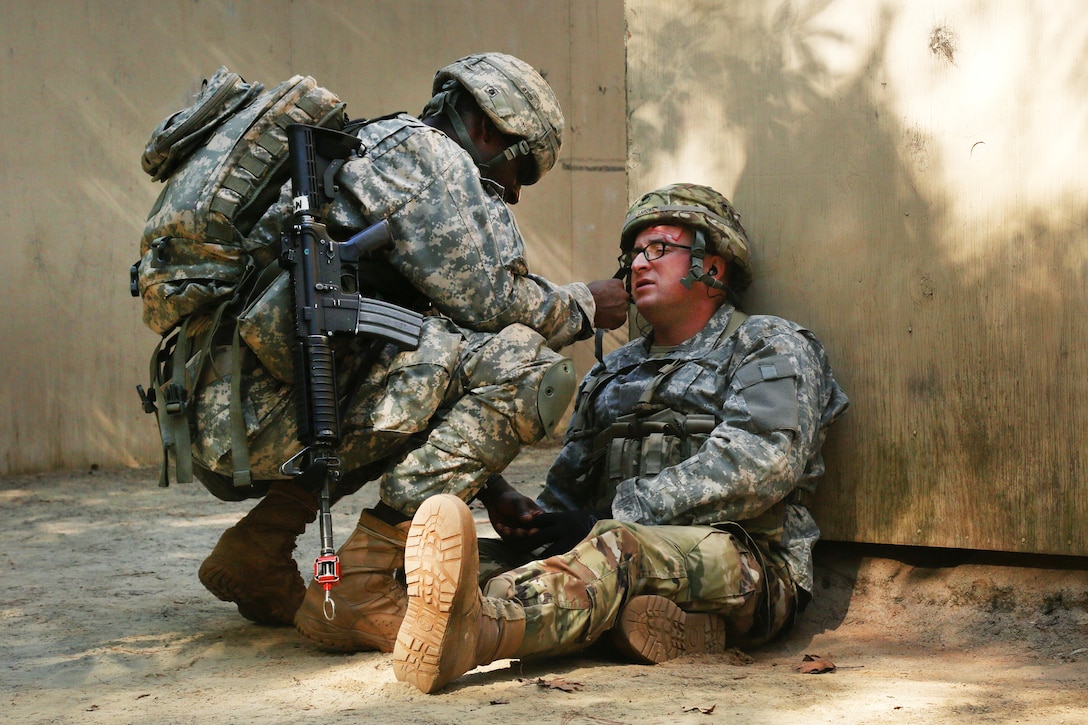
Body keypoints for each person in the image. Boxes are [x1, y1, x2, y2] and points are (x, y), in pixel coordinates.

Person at [190, 53, 630, 648]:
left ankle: (257, 547)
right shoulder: (433, 160)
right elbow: (494, 305)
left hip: (234, 413)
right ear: (487, 129)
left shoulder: (375, 150)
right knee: (528, 365)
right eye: (524, 168)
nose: (518, 194)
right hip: (271, 415)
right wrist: (583, 304)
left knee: (420, 356)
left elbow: (417, 359)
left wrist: (489, 488)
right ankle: (362, 585)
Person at [390, 182, 850, 694]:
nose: (638, 264)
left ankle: (478, 630)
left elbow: (762, 462)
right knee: (489, 559)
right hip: (625, 553)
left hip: (752, 566)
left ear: (713, 268)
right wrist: (541, 522)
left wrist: (610, 518)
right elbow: (571, 483)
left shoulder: (768, 344)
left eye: (659, 249)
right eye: (632, 254)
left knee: (614, 548)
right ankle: (673, 630)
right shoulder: (610, 372)